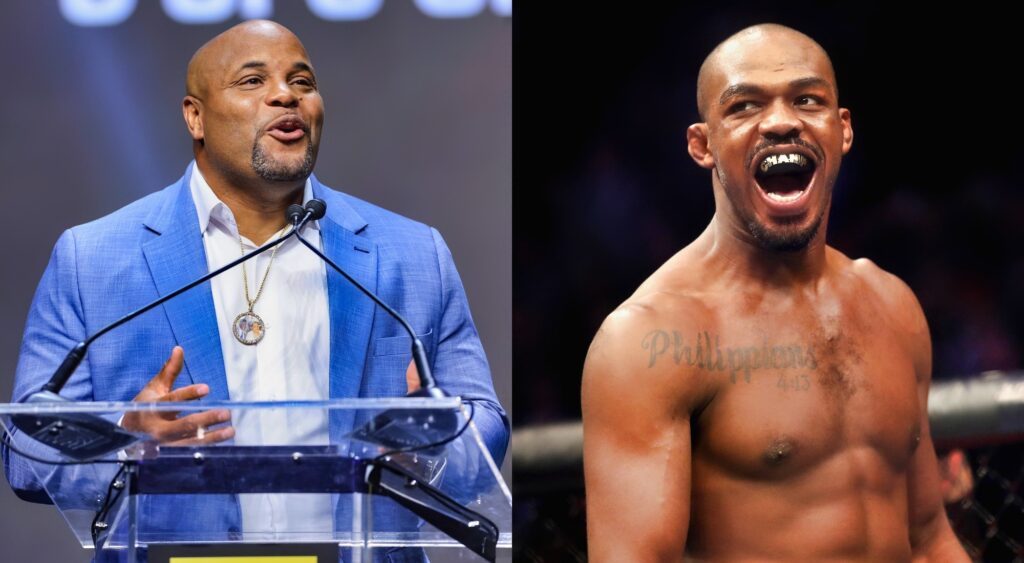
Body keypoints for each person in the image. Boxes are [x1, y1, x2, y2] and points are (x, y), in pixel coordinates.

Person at [3, 19, 507, 561]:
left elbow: (485, 422)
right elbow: (26, 451)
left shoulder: (411, 255)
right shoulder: (92, 258)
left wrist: (430, 445)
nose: (286, 95)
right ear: (194, 116)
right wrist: (125, 438)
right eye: (252, 81)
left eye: (303, 81)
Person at [581, 24, 968, 561]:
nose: (782, 121)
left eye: (807, 100)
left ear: (842, 130)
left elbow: (928, 538)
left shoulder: (893, 304)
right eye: (743, 106)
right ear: (703, 144)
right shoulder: (649, 339)